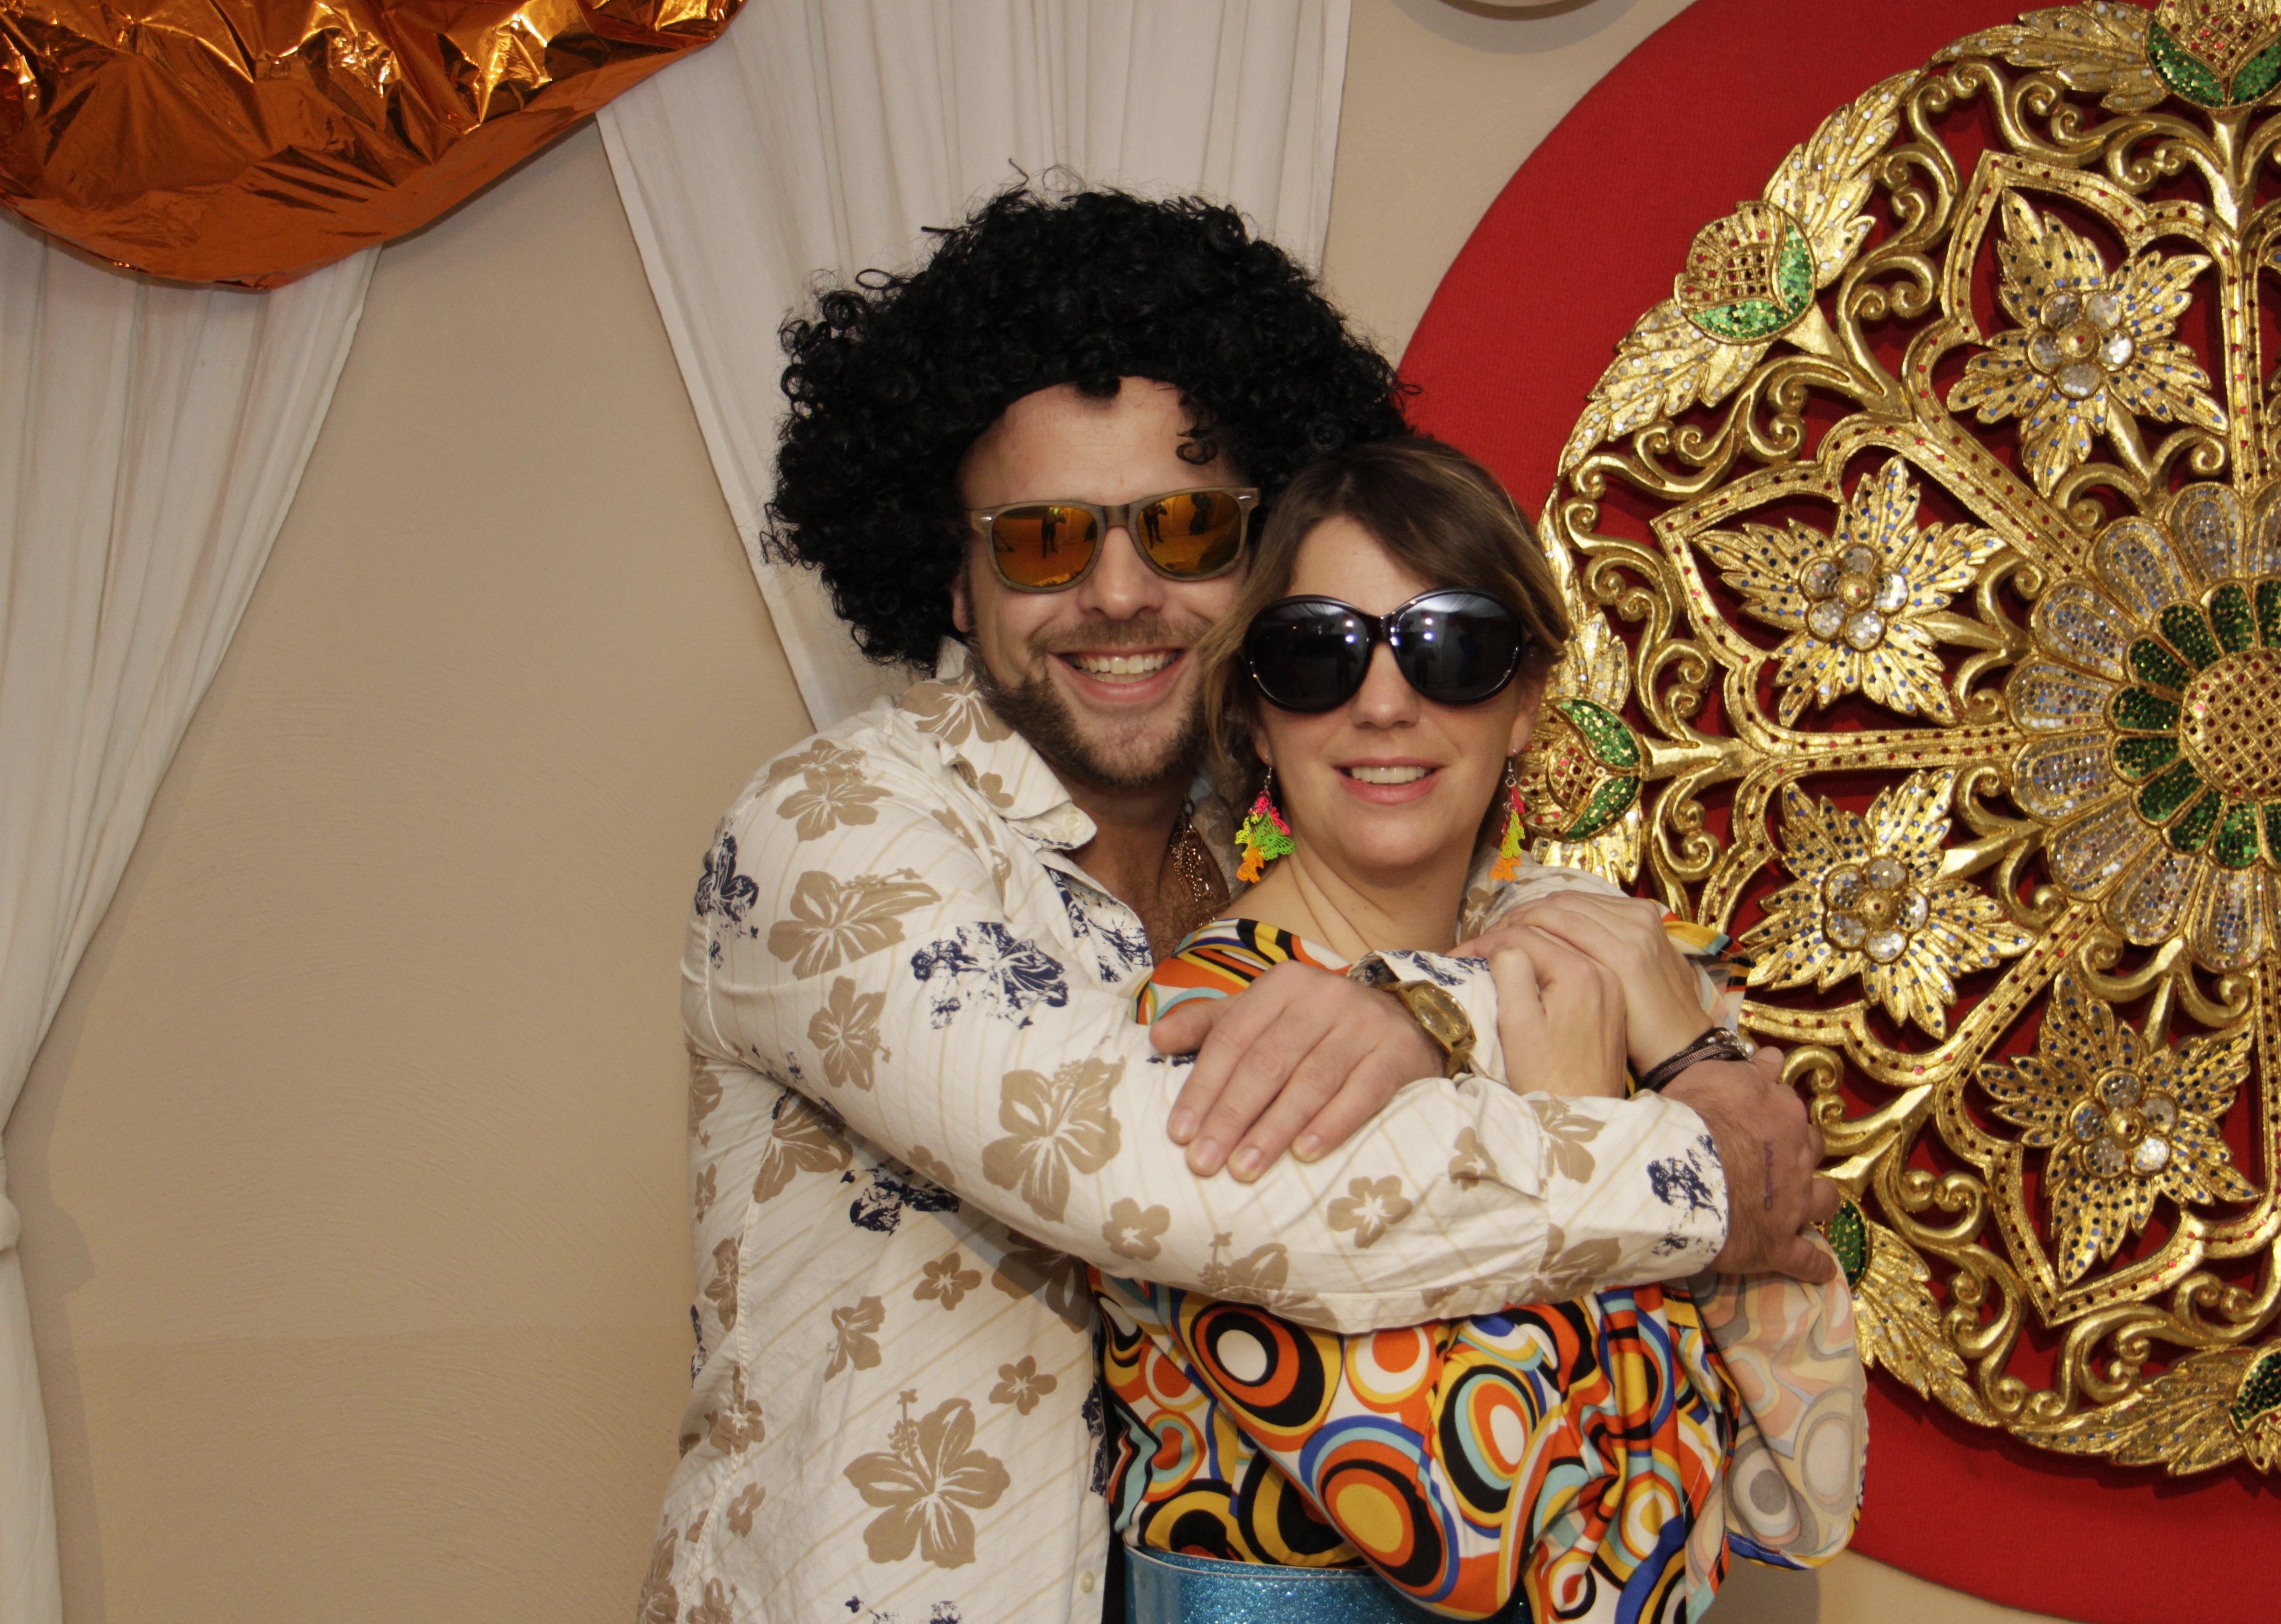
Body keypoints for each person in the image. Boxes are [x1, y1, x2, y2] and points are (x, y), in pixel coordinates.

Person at [637, 185, 1839, 1624]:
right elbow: (1178, 1180)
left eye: (1187, 527)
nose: (1119, 592)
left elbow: (1779, 1429)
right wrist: (1687, 1158)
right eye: (1043, 541)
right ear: (954, 579)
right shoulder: (833, 830)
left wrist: (1666, 1035)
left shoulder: (1273, 837)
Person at [1095, 437, 1863, 1623]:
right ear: (1253, 713)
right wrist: (1575, 1132)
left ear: (1525, 705)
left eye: (1452, 647)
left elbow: (1795, 1483)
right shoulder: (1218, 1035)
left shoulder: (1588, 962)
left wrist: (1692, 1057)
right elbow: (1485, 1533)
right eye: (1317, 654)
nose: (1384, 703)